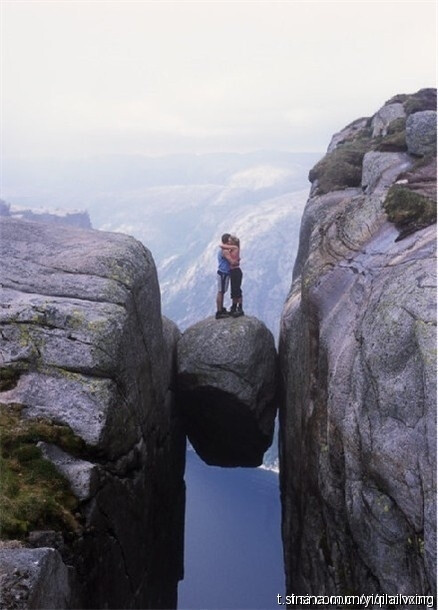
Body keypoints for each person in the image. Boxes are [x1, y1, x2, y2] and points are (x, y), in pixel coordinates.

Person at [219, 234, 244, 317]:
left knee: (237, 290)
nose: (229, 243)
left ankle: (239, 308)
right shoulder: (231, 250)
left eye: (230, 241)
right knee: (234, 290)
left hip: (236, 271)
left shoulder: (235, 248)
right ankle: (234, 307)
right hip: (233, 271)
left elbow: (221, 246)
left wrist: (234, 262)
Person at [215, 233, 232, 319]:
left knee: (222, 291)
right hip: (223, 273)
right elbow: (231, 261)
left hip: (223, 273)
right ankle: (219, 311)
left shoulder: (223, 250)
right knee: (221, 292)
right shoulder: (225, 251)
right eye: (230, 240)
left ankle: (221, 308)